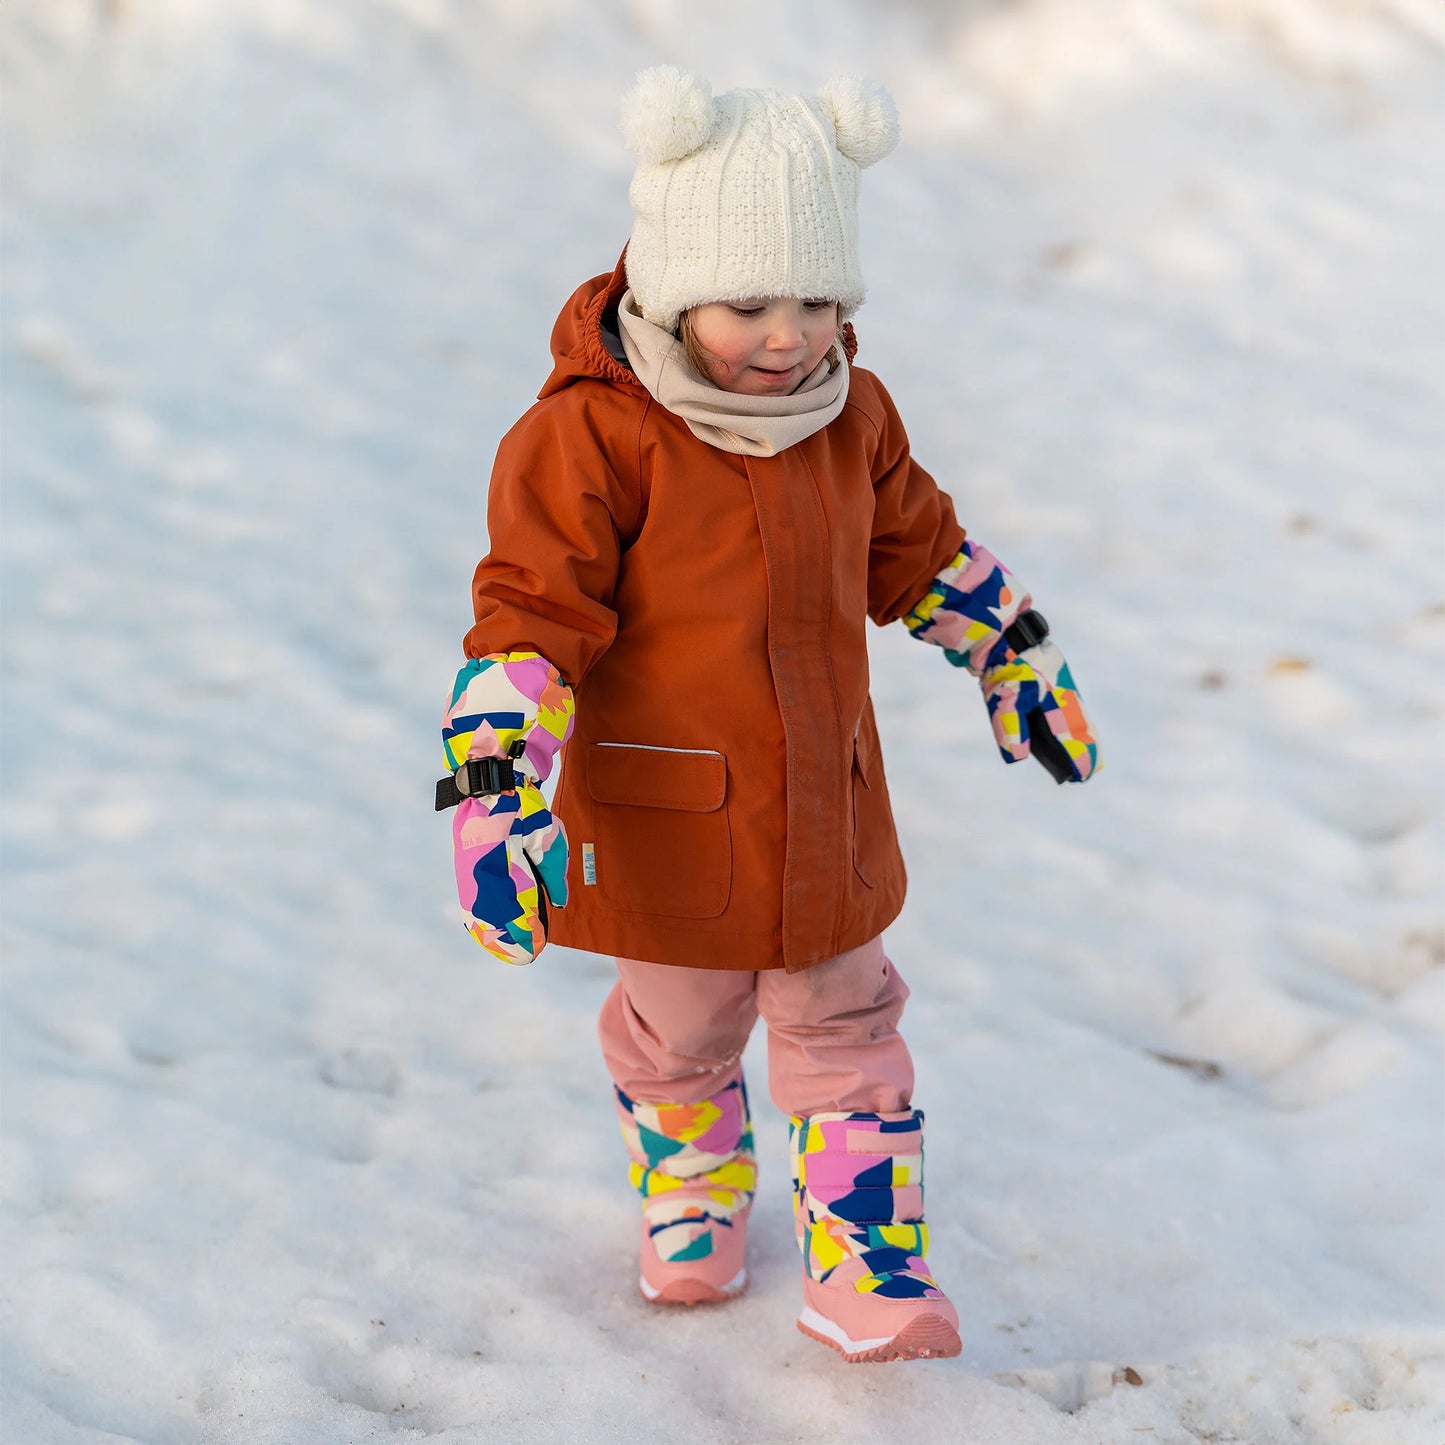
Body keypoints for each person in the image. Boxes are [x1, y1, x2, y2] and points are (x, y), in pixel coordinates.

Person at [437, 66, 1099, 1365]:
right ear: (674, 290)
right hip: (667, 816)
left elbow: (918, 551)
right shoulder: (590, 439)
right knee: (678, 1030)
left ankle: (869, 1263)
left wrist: (1011, 654)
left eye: (817, 300)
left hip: (823, 814)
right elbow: (527, 619)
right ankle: (691, 1195)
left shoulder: (850, 417)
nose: (787, 335)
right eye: (747, 303)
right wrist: (492, 789)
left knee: (848, 1030)